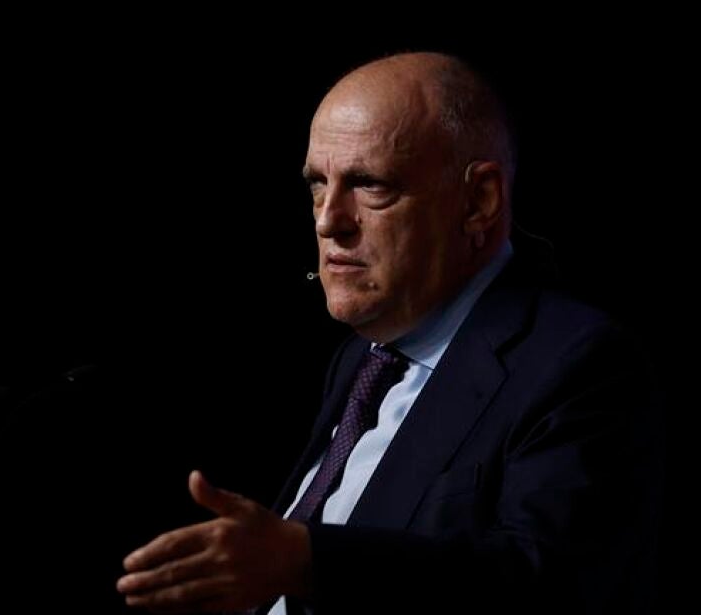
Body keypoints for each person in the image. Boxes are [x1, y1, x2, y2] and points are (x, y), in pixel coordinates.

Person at [116, 52, 663, 614]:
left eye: (369, 184)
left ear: (479, 200)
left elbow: (544, 588)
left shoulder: (579, 365)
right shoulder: (362, 358)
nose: (328, 220)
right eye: (318, 184)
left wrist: (305, 562)